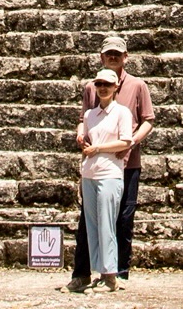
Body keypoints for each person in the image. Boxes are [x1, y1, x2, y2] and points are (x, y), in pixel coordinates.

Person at [67, 35, 156, 292]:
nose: (114, 57)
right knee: (88, 221)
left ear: (126, 56)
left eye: (118, 53)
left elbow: (147, 120)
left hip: (126, 162)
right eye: (109, 54)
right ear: (102, 57)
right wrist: (79, 133)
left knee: (123, 220)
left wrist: (131, 143)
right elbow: (84, 117)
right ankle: (82, 273)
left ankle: (119, 273)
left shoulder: (138, 86)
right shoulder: (91, 87)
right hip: (97, 164)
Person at [76, 67, 133, 294]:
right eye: (99, 84)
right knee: (92, 226)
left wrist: (98, 148)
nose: (102, 88)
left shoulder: (122, 113)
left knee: (107, 225)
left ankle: (110, 275)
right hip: (90, 173)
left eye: (107, 85)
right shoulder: (90, 115)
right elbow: (86, 137)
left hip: (109, 173)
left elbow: (125, 142)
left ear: (115, 87)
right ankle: (98, 272)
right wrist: (83, 140)